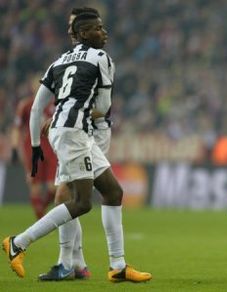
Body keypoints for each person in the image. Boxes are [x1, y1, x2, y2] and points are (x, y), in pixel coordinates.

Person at [2, 13, 151, 283]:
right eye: (97, 29)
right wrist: (75, 111)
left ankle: (118, 266)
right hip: (74, 133)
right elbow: (104, 107)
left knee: (113, 191)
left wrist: (36, 144)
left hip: (67, 131)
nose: (104, 32)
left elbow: (36, 108)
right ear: (84, 34)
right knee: (81, 202)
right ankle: (18, 242)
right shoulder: (101, 58)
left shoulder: (57, 62)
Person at [37, 6, 111, 281]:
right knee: (74, 197)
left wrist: (58, 116)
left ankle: (67, 262)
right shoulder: (75, 60)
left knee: (68, 197)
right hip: (78, 131)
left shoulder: (96, 59)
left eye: (74, 27)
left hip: (92, 131)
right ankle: (77, 263)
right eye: (70, 28)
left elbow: (102, 106)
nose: (70, 32)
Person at [11, 75, 57, 219]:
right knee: (35, 186)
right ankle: (40, 218)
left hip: (51, 148)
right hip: (32, 148)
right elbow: (17, 128)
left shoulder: (54, 105)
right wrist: (14, 148)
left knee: (53, 187)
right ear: (32, 87)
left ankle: (42, 208)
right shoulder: (25, 105)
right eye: (37, 84)